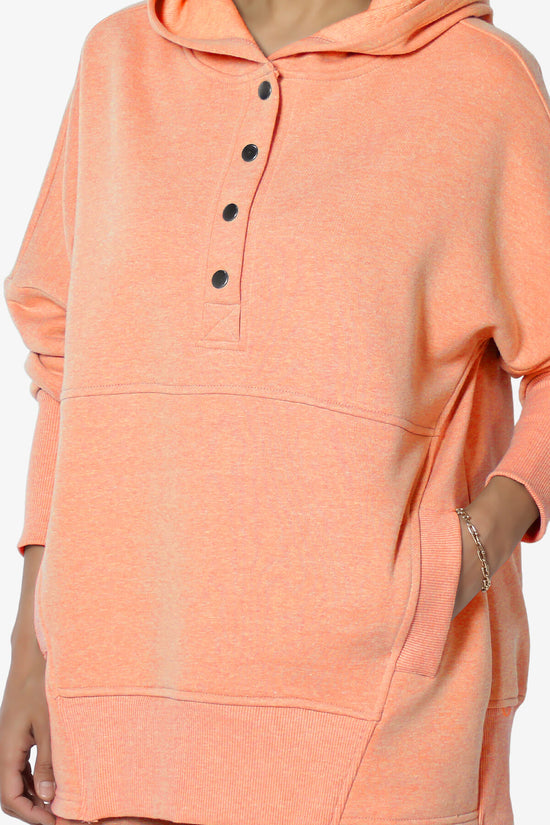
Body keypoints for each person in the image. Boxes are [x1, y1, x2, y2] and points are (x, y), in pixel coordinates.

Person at [1, 1, 549, 824]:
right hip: (114, 707)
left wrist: (471, 546)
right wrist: (30, 650)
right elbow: (64, 361)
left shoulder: (476, 82)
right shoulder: (119, 62)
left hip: (377, 721)